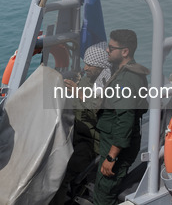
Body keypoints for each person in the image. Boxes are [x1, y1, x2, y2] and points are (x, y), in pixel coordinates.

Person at [51, 42, 111, 204]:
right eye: (85, 63)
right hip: (74, 135)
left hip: (92, 143)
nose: (86, 68)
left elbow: (100, 113)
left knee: (61, 174)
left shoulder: (108, 86)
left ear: (100, 65)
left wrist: (78, 93)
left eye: (90, 65)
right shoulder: (86, 81)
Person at [93, 30, 149, 205]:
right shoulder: (128, 72)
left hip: (115, 146)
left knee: (104, 192)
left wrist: (111, 157)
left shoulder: (125, 81)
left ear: (125, 52)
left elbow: (125, 120)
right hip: (113, 141)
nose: (107, 51)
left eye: (111, 48)